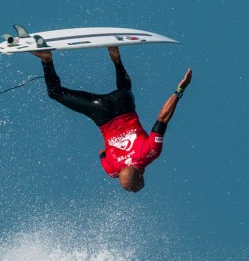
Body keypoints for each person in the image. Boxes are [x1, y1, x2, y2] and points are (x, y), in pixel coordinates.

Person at [32, 46, 192, 193]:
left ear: (142, 176)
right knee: (55, 93)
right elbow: (102, 153)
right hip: (100, 112)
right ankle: (46, 59)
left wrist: (180, 90)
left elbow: (162, 119)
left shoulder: (150, 153)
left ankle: (115, 57)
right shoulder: (112, 170)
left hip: (123, 102)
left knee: (125, 90)